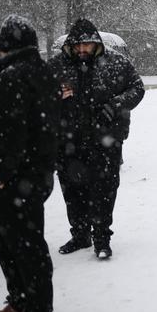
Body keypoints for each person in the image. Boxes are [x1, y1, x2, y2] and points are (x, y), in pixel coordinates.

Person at [0, 15, 61, 312]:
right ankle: (20, 300)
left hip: (17, 177)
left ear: (4, 46)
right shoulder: (40, 72)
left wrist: (0, 172)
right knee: (11, 241)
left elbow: (9, 130)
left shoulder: (13, 76)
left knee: (23, 246)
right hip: (33, 173)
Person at [48, 18, 145, 260]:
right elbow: (37, 95)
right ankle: (80, 234)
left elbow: (137, 87)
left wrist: (116, 105)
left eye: (87, 45)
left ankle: (102, 237)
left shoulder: (116, 62)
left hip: (106, 139)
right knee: (73, 190)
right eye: (77, 46)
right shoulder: (56, 65)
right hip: (68, 140)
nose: (82, 50)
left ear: (96, 44)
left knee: (104, 189)